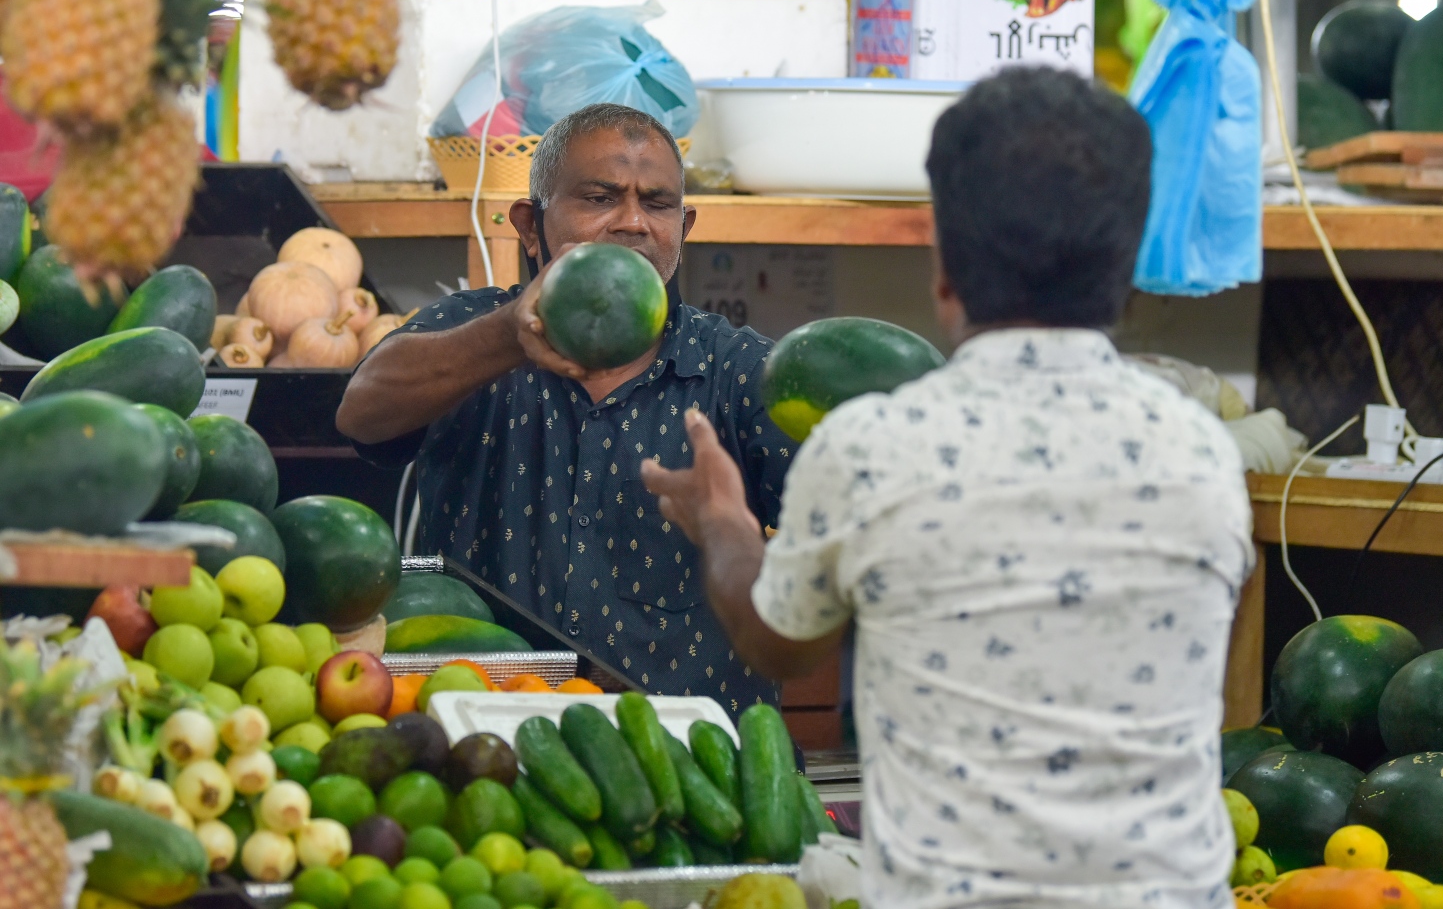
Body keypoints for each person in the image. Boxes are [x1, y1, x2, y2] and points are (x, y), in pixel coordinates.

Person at [642, 68, 1255, 909]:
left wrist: (724, 525)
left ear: (944, 268)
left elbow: (778, 643)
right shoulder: (1201, 451)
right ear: (1129, 266)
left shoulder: (874, 445)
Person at [337, 103, 796, 717]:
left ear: (683, 229)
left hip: (690, 761)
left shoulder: (740, 370)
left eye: (657, 204)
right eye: (600, 197)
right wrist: (506, 336)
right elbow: (361, 413)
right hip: (493, 745)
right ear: (532, 226)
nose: (632, 222)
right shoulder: (469, 329)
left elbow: (851, 525)